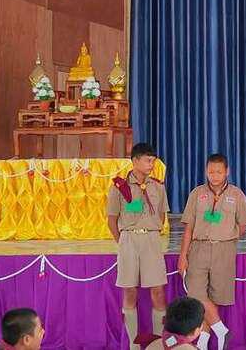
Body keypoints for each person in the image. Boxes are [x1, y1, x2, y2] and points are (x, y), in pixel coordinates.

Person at [177, 153, 246, 350]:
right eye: (211, 172)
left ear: (227, 171)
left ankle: (203, 343)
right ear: (206, 171)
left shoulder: (237, 195)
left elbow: (244, 224)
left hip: (224, 250)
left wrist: (228, 235)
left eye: (219, 172)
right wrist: (183, 256)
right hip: (199, 248)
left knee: (214, 297)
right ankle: (222, 331)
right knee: (196, 293)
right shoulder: (197, 194)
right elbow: (189, 227)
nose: (215, 176)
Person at [106, 143, 169, 349]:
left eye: (153, 161)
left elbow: (161, 216)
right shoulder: (119, 187)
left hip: (151, 240)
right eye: (147, 160)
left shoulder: (158, 187)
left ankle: (157, 343)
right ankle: (133, 344)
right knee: (130, 291)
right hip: (129, 240)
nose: (151, 164)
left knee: (158, 291)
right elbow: (112, 220)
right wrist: (123, 241)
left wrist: (150, 231)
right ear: (135, 161)